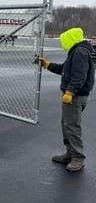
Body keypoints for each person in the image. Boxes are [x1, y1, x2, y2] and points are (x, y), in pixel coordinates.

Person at [37, 27, 95, 172]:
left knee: (72, 126)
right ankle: (70, 153)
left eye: (64, 41)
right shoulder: (77, 51)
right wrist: (47, 64)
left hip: (76, 96)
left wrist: (70, 92)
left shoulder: (80, 52)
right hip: (73, 96)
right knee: (67, 124)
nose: (63, 44)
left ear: (70, 39)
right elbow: (64, 69)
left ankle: (78, 158)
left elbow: (79, 76)